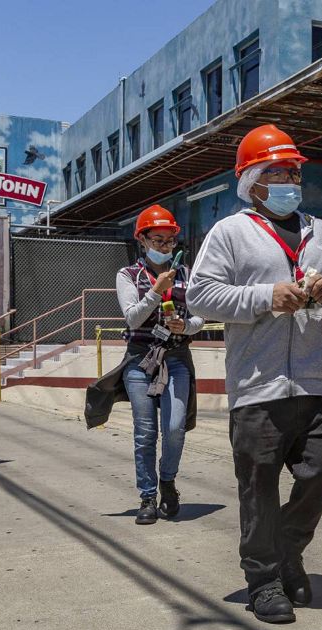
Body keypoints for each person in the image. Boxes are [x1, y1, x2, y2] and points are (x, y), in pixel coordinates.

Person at [186, 124, 322, 624]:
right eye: (279, 171)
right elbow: (200, 296)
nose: (290, 179)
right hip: (257, 384)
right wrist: (265, 297)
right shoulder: (229, 233)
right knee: (258, 486)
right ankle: (263, 580)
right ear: (253, 180)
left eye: (293, 171)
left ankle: (287, 549)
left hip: (318, 379)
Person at [116, 204, 204, 525]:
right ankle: (147, 496)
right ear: (142, 240)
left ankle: (168, 481)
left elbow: (198, 317)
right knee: (145, 432)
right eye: (158, 240)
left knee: (174, 426)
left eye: (169, 242)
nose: (165, 247)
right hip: (141, 360)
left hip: (176, 357)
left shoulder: (186, 273)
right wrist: (155, 291)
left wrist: (186, 326)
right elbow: (132, 316)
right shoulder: (128, 275)